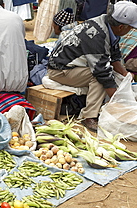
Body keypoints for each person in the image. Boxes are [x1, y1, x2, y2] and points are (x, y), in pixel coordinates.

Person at [47, 1, 137, 132]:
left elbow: (115, 56)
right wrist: (121, 103)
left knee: (112, 75)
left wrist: (125, 75)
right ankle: (89, 116)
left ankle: (99, 106)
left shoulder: (107, 24)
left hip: (77, 67)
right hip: (60, 70)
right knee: (101, 77)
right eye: (130, 28)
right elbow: (102, 72)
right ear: (121, 27)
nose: (131, 31)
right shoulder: (97, 35)